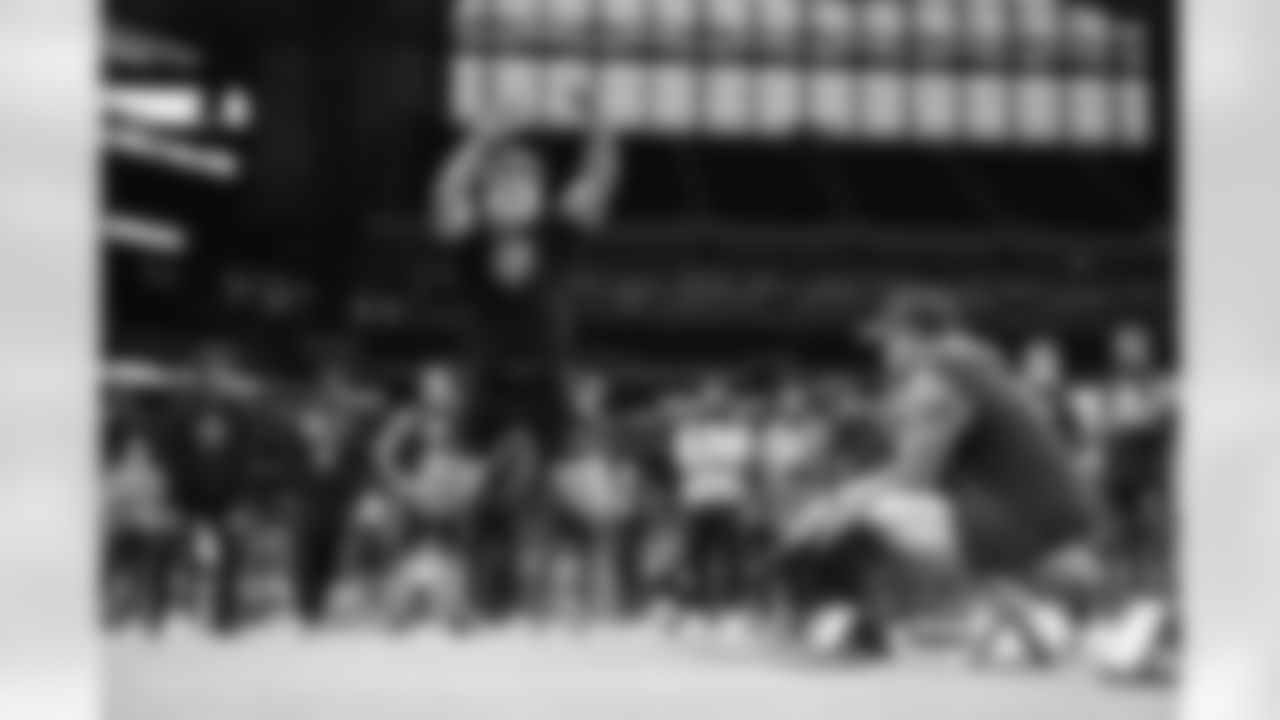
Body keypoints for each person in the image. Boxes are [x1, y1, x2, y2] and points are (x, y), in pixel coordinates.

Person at [783, 288, 1098, 661]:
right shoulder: (979, 364)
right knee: (951, 516)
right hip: (1048, 516)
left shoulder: (941, 377)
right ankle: (1054, 619)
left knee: (865, 516)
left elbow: (911, 479)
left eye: (890, 341)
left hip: (1017, 518)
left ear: (914, 336)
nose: (885, 353)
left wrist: (835, 505)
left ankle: (843, 625)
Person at [428, 88, 622, 617]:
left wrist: (598, 127)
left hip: (550, 387)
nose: (514, 188)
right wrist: (483, 140)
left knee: (598, 504)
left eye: (525, 180)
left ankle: (606, 608)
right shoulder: (472, 241)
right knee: (440, 501)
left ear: (540, 190)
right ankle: (443, 600)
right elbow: (446, 191)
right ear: (487, 191)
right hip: (487, 385)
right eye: (503, 180)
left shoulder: (556, 235)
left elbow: (598, 180)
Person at [376, 363, 487, 629]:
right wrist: (400, 483)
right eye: (433, 384)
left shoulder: (461, 418)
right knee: (404, 553)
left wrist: (470, 483)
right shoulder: (409, 417)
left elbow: (474, 458)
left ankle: (454, 611)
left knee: (454, 553)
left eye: (445, 384)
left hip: (450, 493)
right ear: (424, 389)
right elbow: (382, 452)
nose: (440, 390)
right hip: (414, 494)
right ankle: (397, 612)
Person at [289, 349, 379, 627]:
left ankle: (320, 600)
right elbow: (292, 453)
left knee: (329, 551)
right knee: (307, 549)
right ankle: (307, 605)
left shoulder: (350, 422)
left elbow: (358, 457)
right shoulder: (306, 416)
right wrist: (292, 488)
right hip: (309, 494)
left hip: (338, 496)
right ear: (322, 385)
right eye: (331, 382)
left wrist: (357, 490)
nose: (335, 387)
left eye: (340, 383)